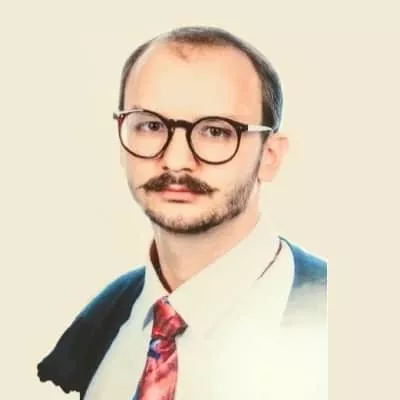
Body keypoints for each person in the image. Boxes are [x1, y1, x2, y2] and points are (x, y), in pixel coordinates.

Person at [37, 26, 327, 400]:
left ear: (270, 156)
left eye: (216, 131)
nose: (175, 160)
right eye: (151, 125)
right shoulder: (98, 325)